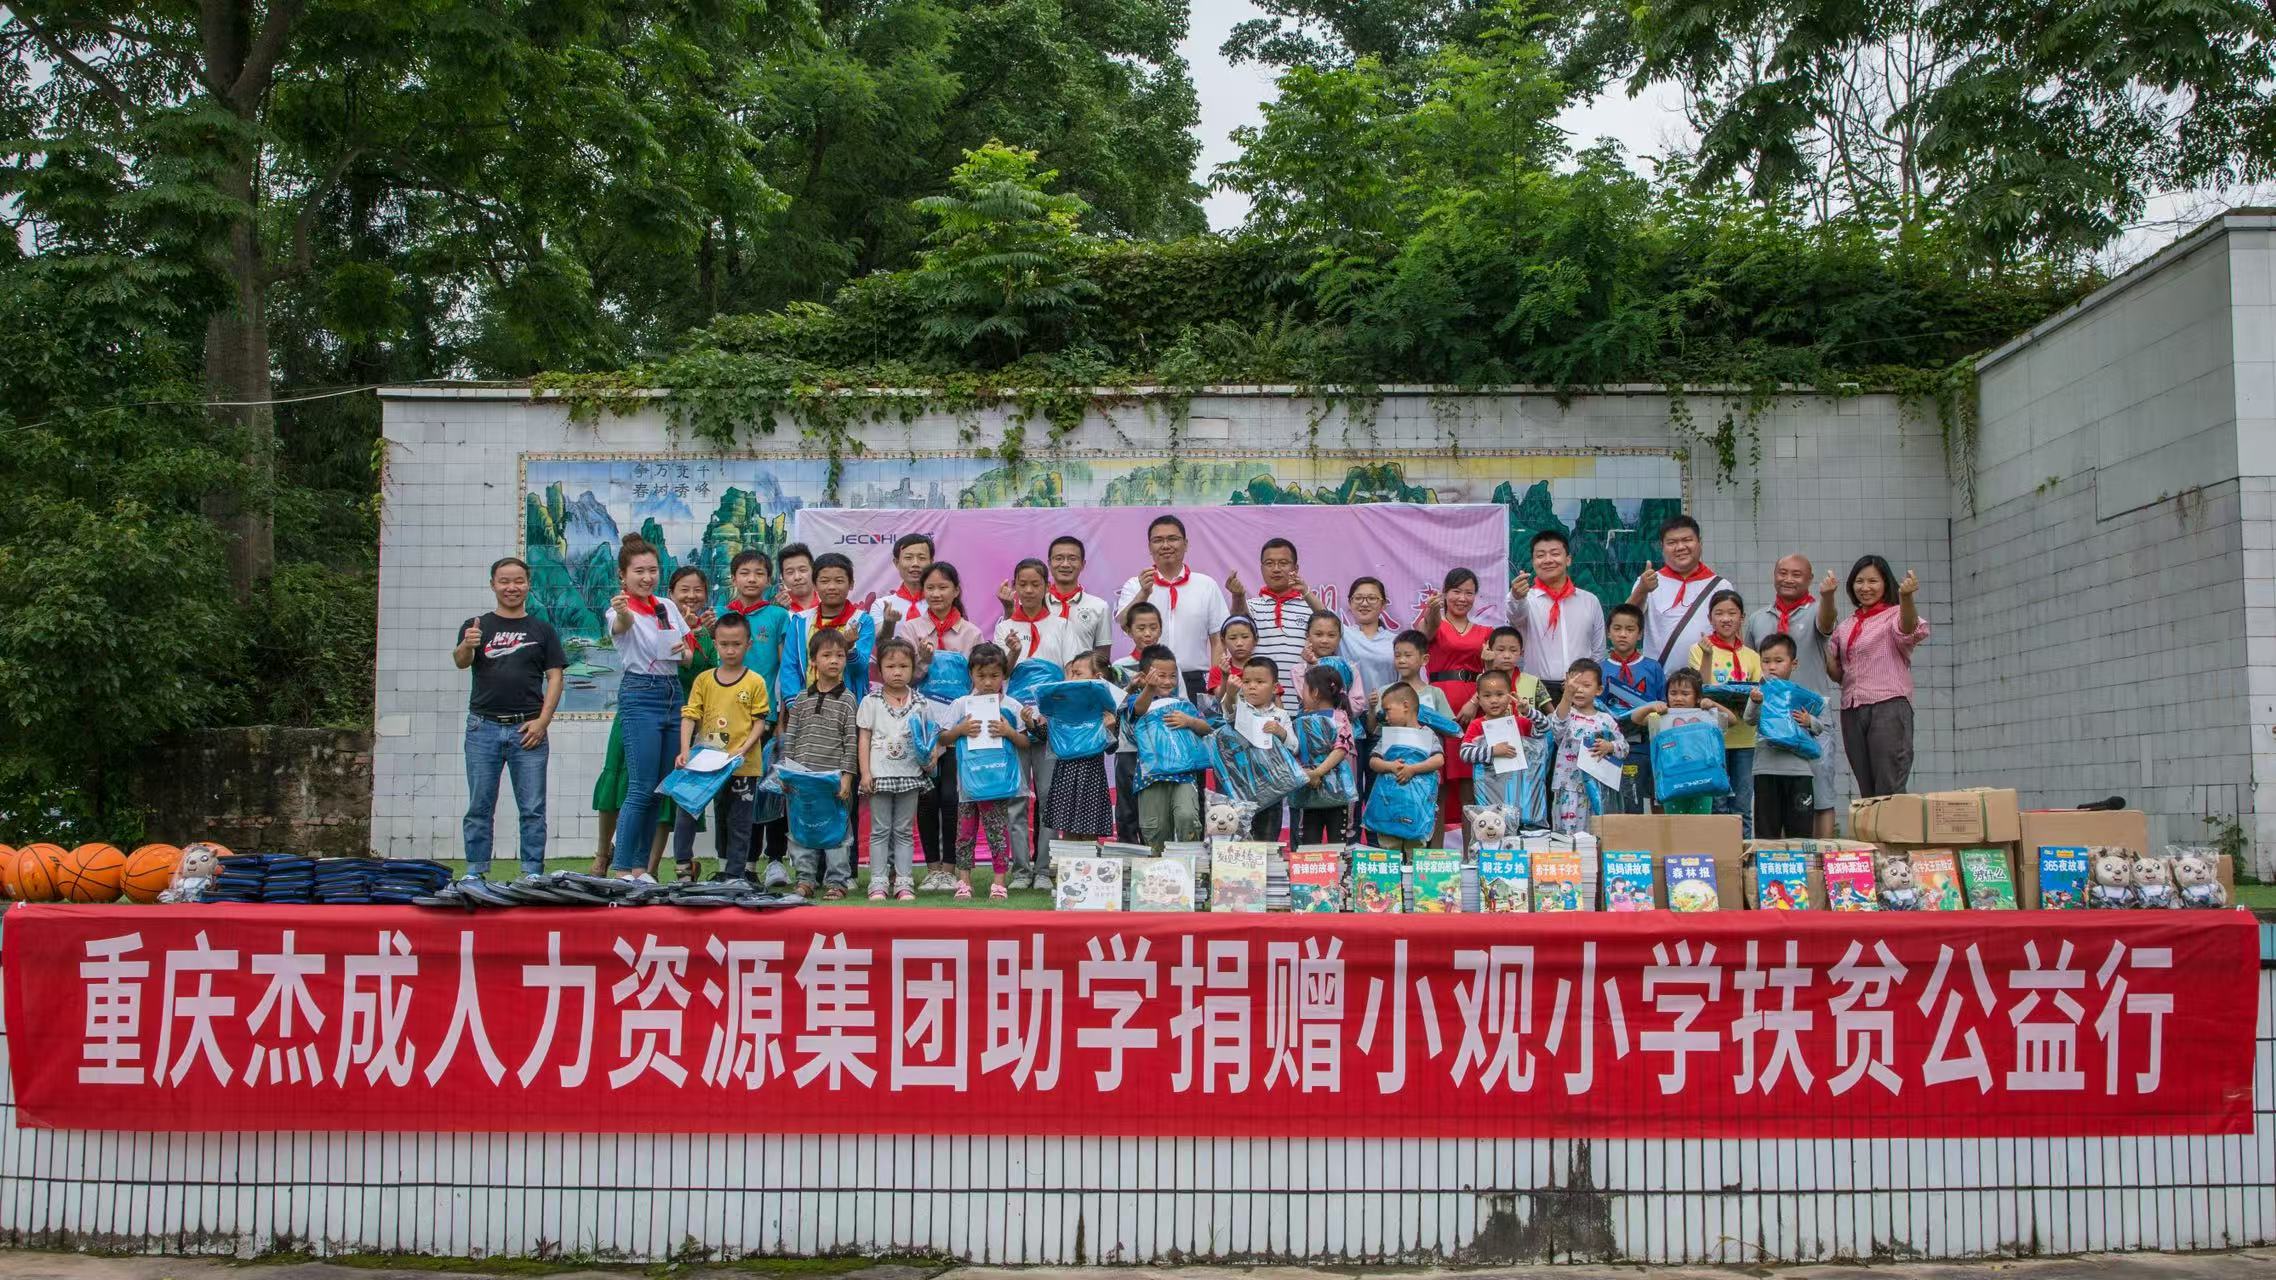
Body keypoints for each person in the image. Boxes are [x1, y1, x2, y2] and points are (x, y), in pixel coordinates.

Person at [454, 556, 566, 880]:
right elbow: (461, 662)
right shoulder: (477, 625)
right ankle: (475, 873)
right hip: (482, 727)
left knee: (532, 809)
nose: (511, 587)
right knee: (479, 806)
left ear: (528, 585)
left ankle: (532, 873)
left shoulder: (542, 629)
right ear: (493, 585)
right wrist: (467, 645)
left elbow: (556, 677)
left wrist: (543, 721)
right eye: (504, 581)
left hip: (528, 729)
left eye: (518, 581)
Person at [599, 535, 694, 879]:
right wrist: (625, 612)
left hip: (672, 693)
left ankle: (641, 868)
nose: (647, 577)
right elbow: (621, 626)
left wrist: (682, 651)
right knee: (640, 786)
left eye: (652, 570)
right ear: (623, 575)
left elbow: (688, 656)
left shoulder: (666, 606)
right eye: (639, 571)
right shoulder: (618, 609)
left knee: (658, 788)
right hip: (640, 693)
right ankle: (622, 867)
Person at [1746, 554, 1842, 836]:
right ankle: (1773, 857)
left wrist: (1827, 596)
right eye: (1782, 572)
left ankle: (1819, 857)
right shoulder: (1757, 619)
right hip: (1770, 722)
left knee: (1820, 794)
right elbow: (1751, 664)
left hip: (1809, 718)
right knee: (1770, 798)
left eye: (1797, 574)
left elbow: (1827, 623)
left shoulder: (1817, 611)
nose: (1788, 579)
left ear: (1810, 579)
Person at [903, 561, 984, 893]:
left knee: (953, 799)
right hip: (923, 729)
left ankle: (950, 869)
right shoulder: (910, 629)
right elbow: (903, 678)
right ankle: (932, 869)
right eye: (930, 588)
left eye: (943, 587)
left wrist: (965, 723)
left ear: (956, 591)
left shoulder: (971, 633)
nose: (936, 594)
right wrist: (922, 662)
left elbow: (979, 681)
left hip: (959, 730)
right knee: (927, 798)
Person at [671, 610, 770, 882]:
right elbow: (690, 715)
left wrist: (743, 749)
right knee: (686, 809)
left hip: (742, 766)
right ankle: (683, 869)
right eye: (724, 644)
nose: (730, 650)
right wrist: (685, 750)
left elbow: (759, 722)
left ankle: (734, 874)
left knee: (739, 821)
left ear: (748, 644)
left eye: (737, 644)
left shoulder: (755, 681)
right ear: (715, 644)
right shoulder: (704, 680)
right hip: (705, 763)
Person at [1825, 555, 1928, 797]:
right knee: (1867, 790)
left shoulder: (1894, 614)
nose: (1865, 587)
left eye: (1873, 581)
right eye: (1859, 581)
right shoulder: (1846, 625)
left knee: (1889, 784)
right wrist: (1821, 647)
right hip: (1852, 709)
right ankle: (1872, 824)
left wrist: (1906, 597)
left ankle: (1894, 823)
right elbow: (1838, 673)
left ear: (1885, 584)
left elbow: (1908, 628)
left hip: (1888, 705)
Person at [725, 550, 794, 885]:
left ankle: (775, 859)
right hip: (727, 723)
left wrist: (782, 718)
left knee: (772, 789)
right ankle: (743, 863)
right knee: (739, 795)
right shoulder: (722, 616)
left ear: (769, 579)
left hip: (765, 719)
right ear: (733, 578)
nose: (751, 579)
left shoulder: (779, 616)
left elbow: (786, 669)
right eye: (744, 572)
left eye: (758, 573)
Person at [778, 627, 860, 898]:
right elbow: (791, 737)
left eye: (840, 655)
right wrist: (787, 774)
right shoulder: (801, 699)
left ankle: (837, 882)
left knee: (836, 832)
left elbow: (851, 741)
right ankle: (805, 880)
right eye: (827, 655)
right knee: (802, 830)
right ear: (813, 660)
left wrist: (847, 777)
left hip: (832, 780)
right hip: (801, 780)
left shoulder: (848, 700)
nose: (834, 660)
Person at [1115, 515, 1228, 697]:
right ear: (1149, 547)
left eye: (1172, 539)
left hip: (1194, 679)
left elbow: (1218, 639)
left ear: (1186, 544)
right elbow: (1122, 622)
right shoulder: (1135, 584)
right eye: (1158, 540)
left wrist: (1214, 685)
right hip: (1148, 679)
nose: (1166, 545)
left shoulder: (1206, 585)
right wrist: (1144, 593)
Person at [1688, 589, 1763, 838]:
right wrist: (1708, 655)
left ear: (1742, 617)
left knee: (1742, 805)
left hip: (1745, 739)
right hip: (1713, 739)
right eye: (1719, 613)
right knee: (1717, 805)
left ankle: (1744, 855)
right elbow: (1699, 689)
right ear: (1710, 618)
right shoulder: (1698, 649)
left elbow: (1759, 695)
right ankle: (1719, 854)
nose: (1726, 619)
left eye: (1732, 613)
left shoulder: (1752, 656)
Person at [857, 638, 928, 900]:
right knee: (879, 830)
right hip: (879, 775)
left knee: (904, 831)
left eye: (903, 666)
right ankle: (877, 883)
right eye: (890, 666)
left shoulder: (920, 703)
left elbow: (928, 738)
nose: (897, 672)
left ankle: (904, 882)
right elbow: (864, 738)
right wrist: (865, 773)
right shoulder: (871, 701)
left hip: (910, 775)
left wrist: (930, 759)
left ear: (913, 668)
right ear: (879, 670)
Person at [1418, 568, 1488, 831]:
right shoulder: (1434, 624)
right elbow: (1425, 633)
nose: (1462, 598)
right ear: (1445, 593)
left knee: (1470, 783)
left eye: (1469, 593)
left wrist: (1475, 700)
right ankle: (1434, 851)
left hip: (1474, 705)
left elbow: (1492, 674)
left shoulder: (1485, 631)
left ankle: (1472, 849)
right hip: (1437, 705)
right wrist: (1432, 611)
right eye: (1456, 591)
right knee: (1438, 783)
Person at [1125, 644, 1212, 848]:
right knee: (1155, 828)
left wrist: (1190, 721)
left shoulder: (1183, 705)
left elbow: (1207, 728)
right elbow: (1138, 710)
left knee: (1187, 816)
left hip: (1184, 774)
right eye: (1160, 676)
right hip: (1151, 776)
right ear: (1145, 676)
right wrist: (1149, 688)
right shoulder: (1136, 700)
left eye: (1172, 676)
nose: (1167, 681)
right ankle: (1156, 863)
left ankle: (1189, 861)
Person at [1509, 530, 1605, 699]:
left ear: (1568, 559)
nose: (1547, 560)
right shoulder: (1526, 600)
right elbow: (1515, 614)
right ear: (1533, 562)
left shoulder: (1589, 601)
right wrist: (1516, 596)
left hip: (1580, 691)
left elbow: (1598, 651)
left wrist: (1588, 684)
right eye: (1540, 555)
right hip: (1536, 690)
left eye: (1554, 554)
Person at [1746, 633, 1823, 840]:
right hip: (1765, 770)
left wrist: (1809, 721)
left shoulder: (1800, 695)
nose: (1772, 667)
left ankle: (1800, 862)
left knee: (1800, 831)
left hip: (1799, 772)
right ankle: (1767, 862)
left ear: (1793, 664)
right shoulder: (1759, 692)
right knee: (1766, 832)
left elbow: (1820, 727)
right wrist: (1755, 702)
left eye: (1779, 661)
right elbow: (1749, 720)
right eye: (1766, 661)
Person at [1627, 515, 1730, 672]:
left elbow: (1733, 634)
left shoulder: (1721, 586)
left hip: (1707, 679)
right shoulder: (1649, 581)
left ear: (1700, 543)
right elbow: (1625, 620)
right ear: (1662, 547)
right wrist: (1641, 590)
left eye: (1687, 540)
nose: (1680, 547)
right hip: (1660, 680)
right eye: (1672, 542)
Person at [1227, 537, 1317, 711]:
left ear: (1295, 568)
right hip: (1260, 710)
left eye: (1283, 563)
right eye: (1269, 563)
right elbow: (1238, 621)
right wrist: (1238, 596)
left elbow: (1331, 626)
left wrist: (1306, 592)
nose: (1276, 569)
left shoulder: (1310, 607)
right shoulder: (1251, 606)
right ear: (1261, 568)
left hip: (1303, 707)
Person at [1040, 651, 1118, 846]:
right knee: (1067, 832)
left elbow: (1111, 749)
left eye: (1078, 673)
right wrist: (1033, 724)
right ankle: (1068, 865)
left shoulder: (1106, 706)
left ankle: (1089, 866)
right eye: (1071, 673)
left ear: (1097, 677)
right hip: (1065, 775)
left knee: (1090, 835)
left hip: (1092, 777)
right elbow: (1049, 737)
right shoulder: (1062, 705)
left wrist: (1110, 729)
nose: (1072, 678)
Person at [1542, 660, 1626, 835]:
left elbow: (1624, 747)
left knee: (1598, 834)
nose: (1579, 690)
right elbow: (1557, 728)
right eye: (1574, 685)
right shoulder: (1565, 714)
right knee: (1567, 836)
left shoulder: (1606, 719)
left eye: (1586, 685)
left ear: (1599, 690)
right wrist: (1566, 697)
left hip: (1599, 788)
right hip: (1568, 787)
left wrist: (1610, 746)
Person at [778, 551, 876, 702]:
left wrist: (850, 648)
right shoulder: (800, 621)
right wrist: (794, 704)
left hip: (849, 708)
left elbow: (859, 668)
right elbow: (789, 666)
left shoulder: (862, 621)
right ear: (815, 584)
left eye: (839, 581)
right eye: (824, 581)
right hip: (807, 706)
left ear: (851, 584)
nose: (831, 587)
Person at [1600, 603, 1667, 813]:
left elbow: (1662, 704)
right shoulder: (1600, 668)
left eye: (1630, 629)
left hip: (1644, 747)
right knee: (1614, 803)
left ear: (1640, 634)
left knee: (1645, 801)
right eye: (1617, 628)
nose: (1623, 634)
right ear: (1608, 632)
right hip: (1609, 747)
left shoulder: (1652, 667)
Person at [1643, 669, 1736, 816]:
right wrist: (1651, 706)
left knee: (1700, 823)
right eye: (1673, 693)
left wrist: (1713, 704)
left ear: (1698, 697)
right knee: (1675, 823)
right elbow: (1636, 718)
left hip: (1703, 778)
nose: (1678, 698)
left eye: (1685, 694)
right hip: (1672, 779)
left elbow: (1732, 720)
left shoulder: (1706, 715)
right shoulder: (1662, 717)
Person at [1364, 684, 1444, 854]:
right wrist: (1390, 766)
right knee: (1389, 849)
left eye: (1388, 710)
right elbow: (1373, 761)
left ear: (1406, 706)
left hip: (1417, 807)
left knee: (1416, 851)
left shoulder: (1427, 733)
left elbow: (1439, 759)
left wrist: (1413, 769)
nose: (1386, 717)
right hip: (1389, 805)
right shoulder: (1389, 734)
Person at [1339, 576, 1398, 803]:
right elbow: (1320, 613)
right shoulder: (1342, 634)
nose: (1364, 603)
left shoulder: (1395, 640)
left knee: (1379, 785)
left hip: (1384, 720)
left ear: (1383, 604)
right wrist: (1305, 591)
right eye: (1359, 598)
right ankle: (1352, 827)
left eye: (1372, 598)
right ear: (1350, 602)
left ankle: (1375, 828)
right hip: (1350, 718)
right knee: (1351, 784)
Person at [1111, 603, 1165, 843]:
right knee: (1127, 808)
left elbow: (1180, 701)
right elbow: (1111, 706)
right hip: (1128, 747)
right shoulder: (1119, 666)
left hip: (1160, 747)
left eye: (1153, 627)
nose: (1148, 633)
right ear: (1128, 631)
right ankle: (1127, 852)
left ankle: (1155, 854)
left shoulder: (1170, 664)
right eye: (1141, 628)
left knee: (1156, 806)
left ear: (1161, 629)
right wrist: (1130, 688)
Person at [1227, 655, 1295, 842]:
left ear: (1274, 688)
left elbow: (1294, 747)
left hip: (1272, 786)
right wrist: (1231, 693)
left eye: (1259, 682)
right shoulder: (1240, 709)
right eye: (1246, 681)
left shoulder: (1281, 715)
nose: (1252, 686)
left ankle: (1266, 860)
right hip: (1241, 784)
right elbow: (1227, 713)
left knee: (1267, 838)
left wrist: (1281, 732)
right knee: (1239, 838)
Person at [1292, 664, 1356, 845]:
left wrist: (1317, 773)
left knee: (1338, 841)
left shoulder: (1339, 717)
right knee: (1309, 841)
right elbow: (1294, 749)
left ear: (1315, 693)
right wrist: (1306, 774)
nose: (1301, 693)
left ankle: (1340, 865)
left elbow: (1341, 748)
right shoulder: (1301, 719)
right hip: (1309, 788)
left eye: (1304, 688)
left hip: (1336, 788)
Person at [1457, 669, 1532, 813]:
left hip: (1516, 788)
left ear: (1510, 696)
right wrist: (1493, 751)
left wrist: (1528, 712)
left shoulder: (1519, 722)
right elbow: (1465, 753)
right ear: (1478, 699)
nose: (1494, 700)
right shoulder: (1477, 725)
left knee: (1515, 823)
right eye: (1487, 695)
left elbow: (1544, 728)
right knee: (1492, 824)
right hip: (1487, 790)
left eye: (1500, 694)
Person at [1044, 534, 1115, 669]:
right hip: (1044, 679)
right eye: (1059, 558)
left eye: (1072, 559)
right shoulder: (1037, 604)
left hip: (1081, 680)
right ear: (1049, 564)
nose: (1065, 564)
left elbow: (1102, 655)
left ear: (1083, 564)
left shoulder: (1099, 606)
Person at [868, 533, 932, 633]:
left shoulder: (941, 603)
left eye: (922, 558)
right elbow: (878, 640)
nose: (915, 563)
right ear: (897, 563)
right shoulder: (881, 605)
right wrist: (888, 624)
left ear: (931, 562)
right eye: (908, 557)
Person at [774, 542, 819, 616]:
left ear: (814, 571)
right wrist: (779, 614)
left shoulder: (827, 603)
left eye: (802, 570)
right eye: (790, 572)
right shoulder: (775, 611)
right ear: (782, 578)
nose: (797, 577)